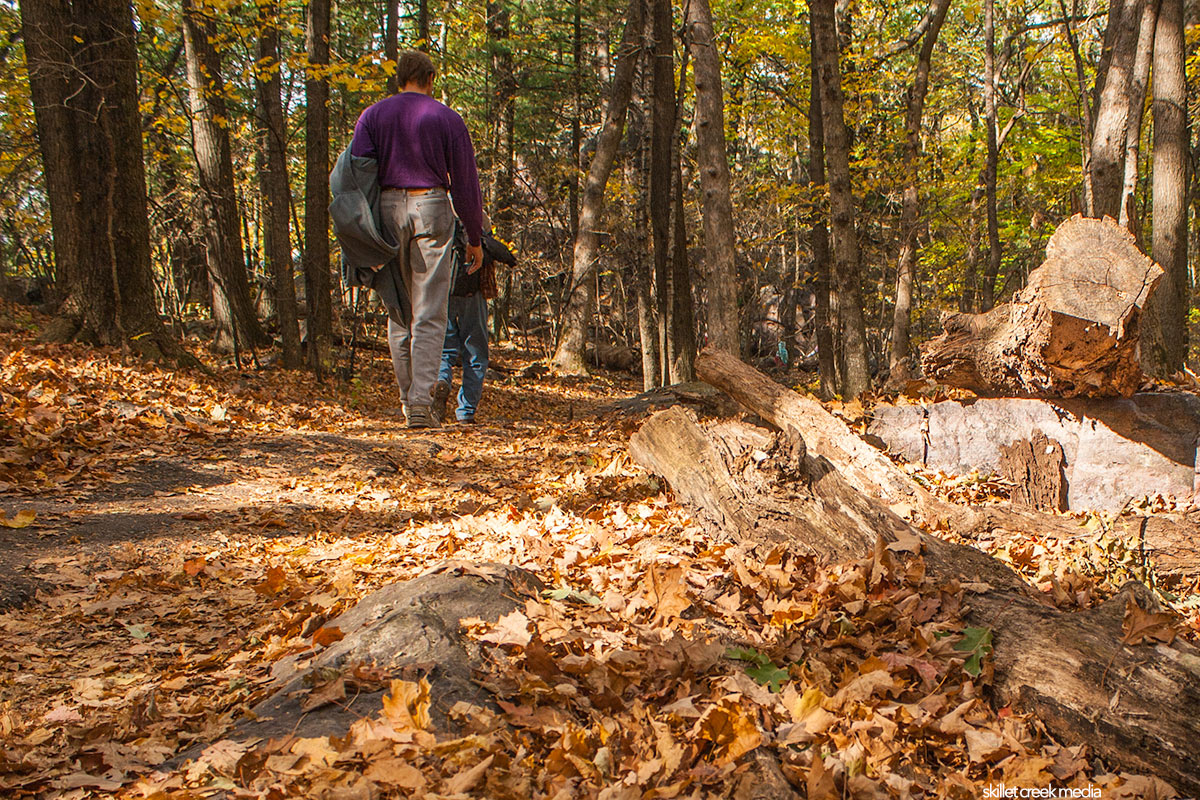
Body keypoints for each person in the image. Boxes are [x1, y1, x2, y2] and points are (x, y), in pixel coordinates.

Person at [349, 50, 484, 429]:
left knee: (398, 308)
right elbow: (465, 183)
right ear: (429, 78)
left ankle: (409, 402)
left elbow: (358, 175)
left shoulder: (372, 116)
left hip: (388, 211)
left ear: (400, 78)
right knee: (428, 312)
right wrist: (474, 235)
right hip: (432, 206)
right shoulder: (447, 118)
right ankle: (421, 404)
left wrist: (362, 229)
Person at [433, 222, 516, 424]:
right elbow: (500, 252)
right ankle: (466, 411)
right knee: (476, 354)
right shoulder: (478, 217)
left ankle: (442, 381)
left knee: (445, 349)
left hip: (444, 292)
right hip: (473, 293)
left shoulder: (440, 215)